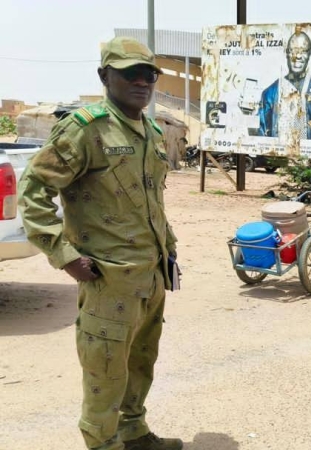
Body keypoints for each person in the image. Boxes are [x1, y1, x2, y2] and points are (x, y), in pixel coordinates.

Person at [17, 37, 182, 450]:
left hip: (149, 275)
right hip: (108, 279)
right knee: (104, 371)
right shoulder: (85, 130)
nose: (142, 81)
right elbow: (33, 190)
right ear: (105, 76)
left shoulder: (151, 131)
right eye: (130, 73)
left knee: (141, 362)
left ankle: (134, 431)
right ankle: (102, 443)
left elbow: (152, 201)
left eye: (149, 74)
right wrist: (63, 254)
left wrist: (168, 249)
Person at [258, 31, 311, 140]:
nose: (298, 56)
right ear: (287, 53)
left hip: (310, 151)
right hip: (279, 150)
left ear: (309, 54)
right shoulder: (269, 94)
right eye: (293, 51)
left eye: (303, 51)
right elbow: (261, 134)